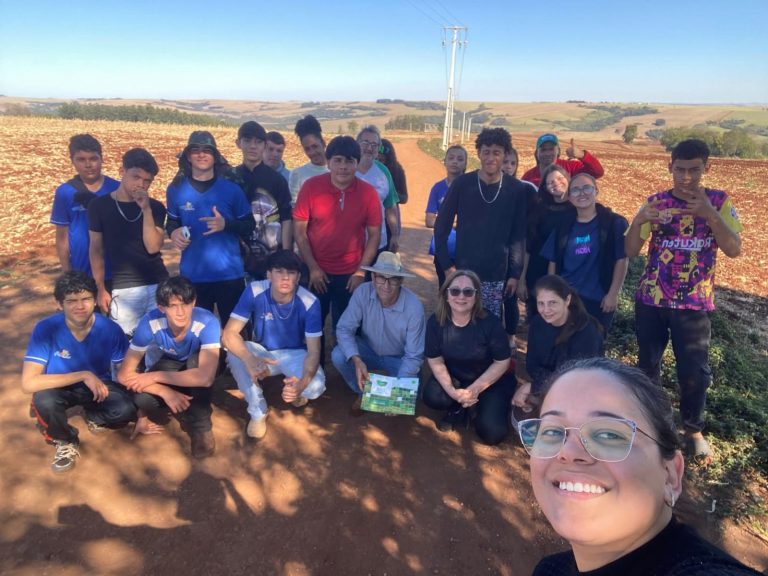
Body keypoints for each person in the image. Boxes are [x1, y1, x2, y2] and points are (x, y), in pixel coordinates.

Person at [520, 357, 762, 575]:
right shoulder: (550, 569)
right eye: (551, 431)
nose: (568, 452)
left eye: (608, 435)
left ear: (670, 475)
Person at [625, 139, 742, 463]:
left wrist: (709, 215)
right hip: (652, 299)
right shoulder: (656, 203)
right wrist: (638, 221)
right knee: (648, 366)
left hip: (694, 304)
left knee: (694, 371)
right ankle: (653, 422)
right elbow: (631, 250)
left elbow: (734, 249)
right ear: (670, 167)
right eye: (680, 169)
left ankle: (692, 430)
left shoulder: (719, 202)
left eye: (694, 170)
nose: (687, 177)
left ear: (707, 167)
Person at [22, 272, 135, 472]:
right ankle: (65, 441)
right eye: (71, 301)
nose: (80, 306)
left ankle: (94, 415)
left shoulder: (110, 329)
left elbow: (123, 370)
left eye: (86, 299)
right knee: (44, 401)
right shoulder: (46, 329)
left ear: (95, 300)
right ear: (59, 304)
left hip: (97, 386)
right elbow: (28, 383)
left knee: (126, 409)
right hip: (59, 386)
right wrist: (83, 374)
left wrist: (142, 406)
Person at [222, 250, 325, 439]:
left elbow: (314, 351)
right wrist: (249, 359)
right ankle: (258, 410)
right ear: (268, 274)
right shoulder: (254, 290)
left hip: (295, 353)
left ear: (298, 276)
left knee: (315, 387)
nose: (285, 278)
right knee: (234, 352)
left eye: (291, 272)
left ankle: (296, 389)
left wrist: (301, 385)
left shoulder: (310, 302)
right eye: (279, 271)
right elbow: (228, 334)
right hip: (263, 352)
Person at [293, 135, 382, 351]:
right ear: (328, 161)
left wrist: (361, 272)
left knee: (348, 325)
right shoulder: (311, 187)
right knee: (313, 324)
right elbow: (300, 232)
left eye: (350, 161)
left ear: (357, 163)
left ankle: (348, 370)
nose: (343, 167)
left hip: (351, 273)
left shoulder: (368, 193)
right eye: (338, 160)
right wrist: (313, 268)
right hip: (316, 271)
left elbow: (375, 235)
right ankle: (316, 369)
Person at [118, 276, 220, 459]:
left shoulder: (207, 320)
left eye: (186, 304)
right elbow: (124, 375)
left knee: (196, 368)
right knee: (143, 399)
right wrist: (165, 391)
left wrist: (155, 377)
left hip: (201, 362)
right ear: (161, 307)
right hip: (173, 361)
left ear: (194, 302)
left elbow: (206, 377)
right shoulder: (150, 322)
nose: (181, 312)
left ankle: (202, 427)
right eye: (173, 306)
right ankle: (183, 401)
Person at [434, 128, 527, 318]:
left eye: (497, 152)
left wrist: (515, 274)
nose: (491, 158)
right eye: (486, 152)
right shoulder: (462, 184)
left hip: (496, 274)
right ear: (479, 154)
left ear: (504, 155)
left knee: (489, 327)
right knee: (459, 322)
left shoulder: (516, 190)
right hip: (462, 273)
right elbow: (441, 226)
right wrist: (446, 266)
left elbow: (518, 235)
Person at [165, 130, 254, 327]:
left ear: (215, 157)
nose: (201, 154)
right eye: (195, 150)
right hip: (193, 276)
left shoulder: (232, 190)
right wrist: (173, 232)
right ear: (188, 156)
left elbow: (249, 225)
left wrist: (226, 224)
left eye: (207, 150)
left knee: (236, 335)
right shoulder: (175, 190)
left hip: (230, 274)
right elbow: (171, 221)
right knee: (198, 334)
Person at [422, 270, 514, 445]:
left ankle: (476, 406)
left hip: (489, 381)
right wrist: (452, 392)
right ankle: (458, 407)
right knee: (433, 396)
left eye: (468, 292)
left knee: (492, 433)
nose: (461, 296)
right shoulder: (436, 321)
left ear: (476, 296)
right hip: (456, 378)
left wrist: (474, 390)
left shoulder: (490, 323)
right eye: (455, 291)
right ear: (446, 294)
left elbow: (502, 362)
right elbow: (435, 359)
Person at [88, 148, 169, 335]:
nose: (141, 184)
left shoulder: (155, 207)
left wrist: (146, 209)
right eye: (136, 177)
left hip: (157, 283)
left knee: (159, 343)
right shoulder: (99, 206)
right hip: (123, 288)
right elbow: (96, 250)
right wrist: (100, 288)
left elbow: (153, 247)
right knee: (123, 344)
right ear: (121, 172)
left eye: (147, 181)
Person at [331, 252, 425, 403]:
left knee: (413, 395)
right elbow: (344, 329)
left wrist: (399, 394)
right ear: (374, 278)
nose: (386, 286)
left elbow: (414, 356)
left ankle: (390, 398)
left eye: (392, 279)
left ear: (400, 281)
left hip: (399, 357)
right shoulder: (362, 292)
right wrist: (357, 360)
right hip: (369, 350)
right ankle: (363, 391)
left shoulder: (414, 307)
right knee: (339, 355)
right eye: (381, 277)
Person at [541, 173, 629, 332]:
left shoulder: (614, 223)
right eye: (575, 190)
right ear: (569, 197)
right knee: (563, 342)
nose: (581, 193)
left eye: (587, 188)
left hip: (598, 299)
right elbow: (552, 261)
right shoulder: (563, 225)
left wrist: (613, 294)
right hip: (567, 298)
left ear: (596, 190)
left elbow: (621, 260)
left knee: (593, 346)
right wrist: (553, 294)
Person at [514, 275, 603, 411]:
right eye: (541, 303)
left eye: (552, 303)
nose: (546, 310)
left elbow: (579, 379)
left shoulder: (587, 331)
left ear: (567, 300)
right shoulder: (537, 323)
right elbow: (532, 365)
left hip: (579, 391)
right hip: (548, 384)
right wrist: (538, 386)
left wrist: (534, 386)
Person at [51, 134, 119, 276]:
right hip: (82, 270)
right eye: (81, 159)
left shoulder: (117, 189)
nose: (88, 165)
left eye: (93, 158)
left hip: (117, 271)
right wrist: (68, 273)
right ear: (72, 161)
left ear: (102, 159)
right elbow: (62, 237)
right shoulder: (64, 192)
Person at [232, 121, 293, 280]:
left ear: (264, 145)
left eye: (258, 142)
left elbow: (286, 218)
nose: (253, 146)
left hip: (271, 259)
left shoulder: (277, 180)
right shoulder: (230, 178)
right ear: (238, 143)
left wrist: (286, 255)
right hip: (236, 258)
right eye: (247, 141)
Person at [520, 164, 576, 320]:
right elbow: (528, 247)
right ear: (544, 187)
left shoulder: (578, 209)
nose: (556, 183)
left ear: (568, 179)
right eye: (550, 182)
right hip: (536, 274)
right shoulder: (539, 209)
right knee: (537, 320)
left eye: (560, 178)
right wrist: (522, 280)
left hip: (567, 275)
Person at [501, 146, 538, 351]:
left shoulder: (526, 189)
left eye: (512, 163)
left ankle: (511, 336)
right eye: (505, 162)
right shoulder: (487, 187)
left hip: (517, 253)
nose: (508, 167)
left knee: (510, 298)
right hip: (495, 253)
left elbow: (532, 228)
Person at [425, 145, 467, 287]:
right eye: (451, 158)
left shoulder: (471, 187)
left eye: (460, 159)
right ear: (445, 161)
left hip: (466, 249)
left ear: (466, 164)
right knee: (444, 287)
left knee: (465, 288)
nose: (455, 161)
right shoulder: (437, 188)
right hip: (443, 248)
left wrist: (444, 221)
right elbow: (429, 220)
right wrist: (455, 222)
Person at [356, 126, 400, 253]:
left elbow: (390, 207)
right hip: (349, 244)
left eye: (375, 145)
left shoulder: (384, 172)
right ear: (357, 144)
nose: (370, 148)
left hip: (378, 242)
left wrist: (395, 235)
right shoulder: (346, 169)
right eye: (365, 143)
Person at [521, 133, 604, 188]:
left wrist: (582, 155)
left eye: (551, 149)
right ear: (536, 153)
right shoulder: (528, 177)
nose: (547, 153)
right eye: (543, 150)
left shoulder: (571, 167)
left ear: (558, 151)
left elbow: (597, 172)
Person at [288, 115, 329, 204]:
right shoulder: (297, 174)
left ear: (323, 143)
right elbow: (294, 205)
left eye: (315, 146)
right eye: (307, 149)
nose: (312, 152)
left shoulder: (339, 170)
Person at [378, 138, 408, 204]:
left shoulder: (397, 170)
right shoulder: (368, 169)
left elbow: (404, 198)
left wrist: (390, 194)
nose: (379, 163)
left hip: (391, 210)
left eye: (381, 160)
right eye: (377, 159)